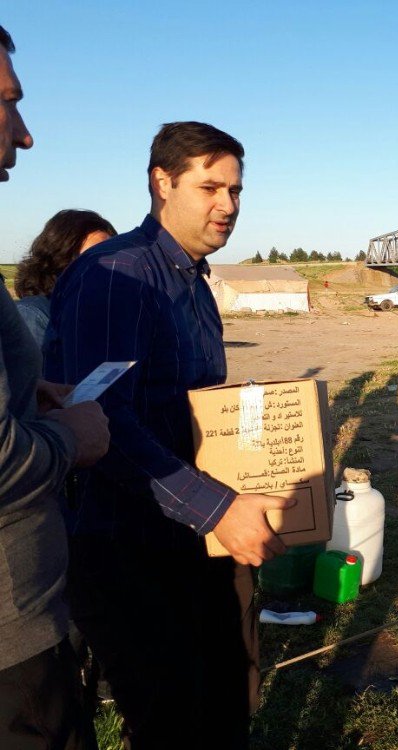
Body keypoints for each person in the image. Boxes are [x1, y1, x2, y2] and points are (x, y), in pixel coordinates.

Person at [45, 122, 295, 748]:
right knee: (173, 724)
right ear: (162, 183)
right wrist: (218, 510)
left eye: (237, 190)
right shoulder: (115, 276)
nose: (228, 206)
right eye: (211, 187)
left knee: (225, 708)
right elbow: (103, 425)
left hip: (195, 542)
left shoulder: (197, 284)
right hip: (129, 552)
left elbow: (190, 409)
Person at [1, 24, 111, 749]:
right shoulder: (37, 312)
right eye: (7, 102)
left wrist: (26, 396)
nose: (26, 134)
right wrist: (69, 439)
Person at [14, 209, 117, 346]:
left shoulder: (104, 316)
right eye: (92, 257)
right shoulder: (33, 316)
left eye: (112, 256)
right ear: (59, 258)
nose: (109, 266)